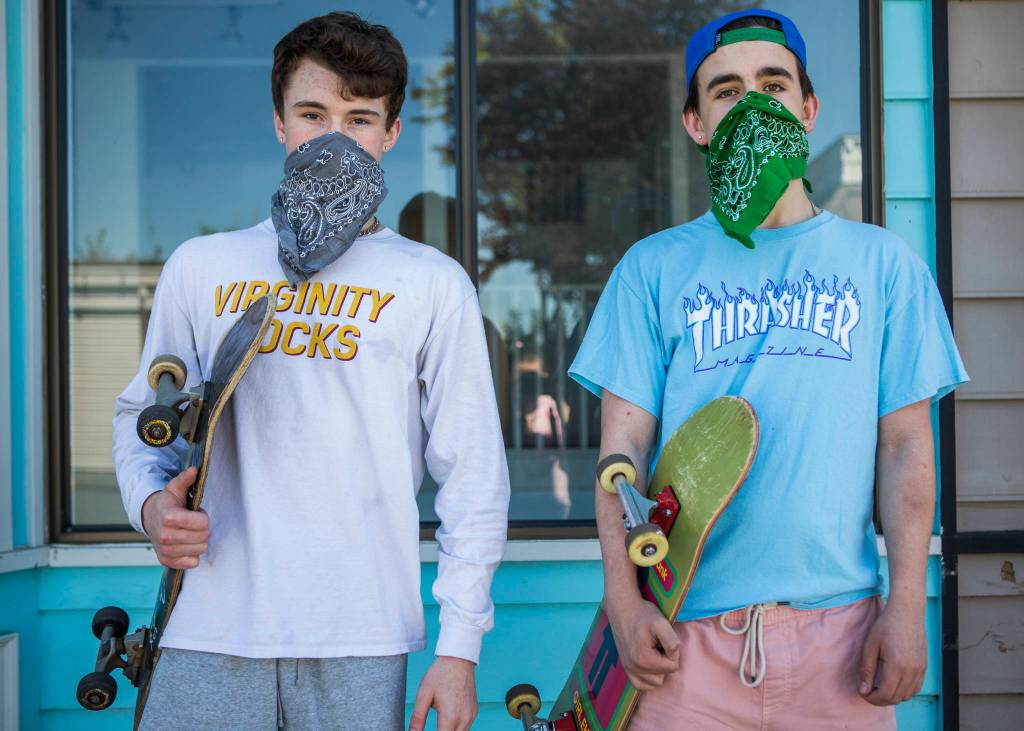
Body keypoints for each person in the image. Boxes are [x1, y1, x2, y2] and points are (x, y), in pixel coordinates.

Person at [568, 9, 967, 729]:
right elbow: (618, 459)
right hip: (680, 638)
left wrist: (907, 608)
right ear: (696, 122)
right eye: (725, 91)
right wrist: (624, 609)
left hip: (841, 639)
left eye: (773, 84)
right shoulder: (650, 271)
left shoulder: (885, 266)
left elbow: (906, 446)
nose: (752, 104)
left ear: (809, 109)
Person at [113, 12, 509, 731]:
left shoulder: (432, 282)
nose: (334, 137)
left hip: (362, 636)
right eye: (312, 113)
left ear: (391, 134)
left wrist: (459, 648)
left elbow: (473, 474)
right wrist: (152, 510)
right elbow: (143, 422)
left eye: (359, 119)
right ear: (279, 124)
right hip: (207, 627)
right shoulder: (201, 267)